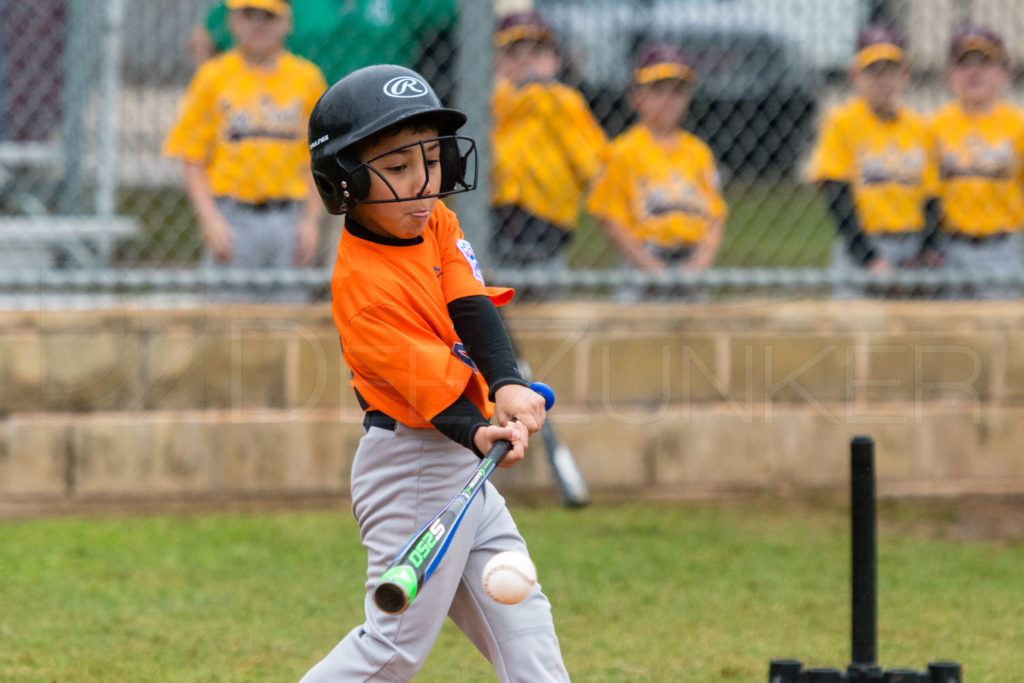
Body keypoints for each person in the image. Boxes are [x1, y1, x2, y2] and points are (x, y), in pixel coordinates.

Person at [300, 64, 570, 681]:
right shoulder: (364, 289)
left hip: (456, 458)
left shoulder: (434, 221)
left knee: (524, 621)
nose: (421, 185)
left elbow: (468, 303)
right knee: (392, 649)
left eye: (429, 160)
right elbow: (433, 394)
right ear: (344, 182)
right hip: (414, 467)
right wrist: (484, 432)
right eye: (396, 169)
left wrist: (506, 384)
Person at [164, 0, 327, 302]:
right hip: (232, 216)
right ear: (232, 21)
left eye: (269, 15)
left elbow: (316, 159)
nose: (258, 24)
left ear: (287, 22)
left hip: (289, 216)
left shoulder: (307, 78)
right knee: (227, 322)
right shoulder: (213, 77)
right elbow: (192, 157)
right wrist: (209, 219)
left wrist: (310, 221)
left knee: (287, 322)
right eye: (248, 14)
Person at [806, 24, 941, 298]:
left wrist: (925, 251)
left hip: (910, 245)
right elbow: (837, 195)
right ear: (855, 76)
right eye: (872, 71)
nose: (882, 79)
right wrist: (868, 258)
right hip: (863, 243)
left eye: (890, 70)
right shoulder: (841, 123)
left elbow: (931, 198)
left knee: (912, 334)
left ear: (905, 76)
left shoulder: (920, 128)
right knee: (856, 332)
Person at [586, 42, 727, 299]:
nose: (669, 100)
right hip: (643, 264)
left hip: (691, 259)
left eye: (678, 91)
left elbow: (715, 217)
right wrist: (650, 267)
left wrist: (699, 265)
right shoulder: (622, 151)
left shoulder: (698, 152)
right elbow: (610, 216)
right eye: (658, 90)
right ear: (635, 96)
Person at [490, 11, 607, 272]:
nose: (526, 63)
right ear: (497, 61)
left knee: (547, 286)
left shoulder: (565, 101)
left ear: (556, 60)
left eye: (537, 53)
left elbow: (592, 161)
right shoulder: (494, 102)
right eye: (514, 54)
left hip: (547, 221)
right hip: (498, 218)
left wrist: (548, 100)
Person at [930, 23, 1024, 299]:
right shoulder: (934, 127)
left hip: (1002, 247)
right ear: (950, 75)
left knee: (1004, 334)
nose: (974, 72)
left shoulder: (1017, 126)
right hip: (950, 247)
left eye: (984, 63)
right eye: (964, 64)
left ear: (1002, 73)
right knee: (951, 333)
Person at [189, 0, 457, 92]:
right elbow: (206, 35)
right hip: (302, 119)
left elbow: (460, 19)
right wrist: (220, 95)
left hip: (381, 115)